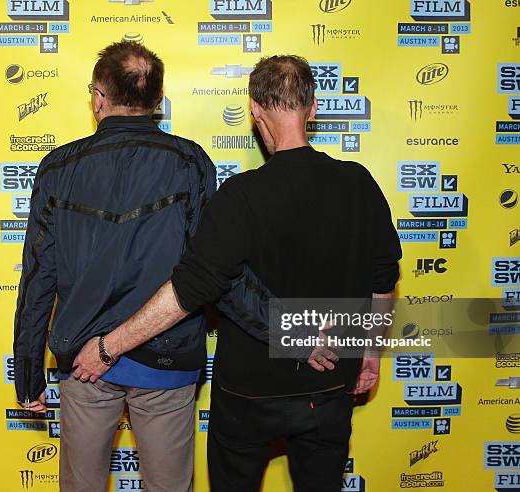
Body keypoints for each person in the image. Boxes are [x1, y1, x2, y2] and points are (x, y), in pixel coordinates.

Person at [74, 55, 402, 491]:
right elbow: (383, 282)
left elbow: (191, 287)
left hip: (247, 395)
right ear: (314, 108)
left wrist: (109, 346)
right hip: (329, 387)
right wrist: (371, 354)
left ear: (255, 108)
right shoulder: (358, 183)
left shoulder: (241, 195)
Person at [12, 41, 216, 492]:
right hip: (168, 357)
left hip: (85, 361)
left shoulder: (59, 166)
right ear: (157, 102)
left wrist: (27, 371)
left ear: (98, 97)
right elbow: (207, 270)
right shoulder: (191, 161)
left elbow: (38, 276)